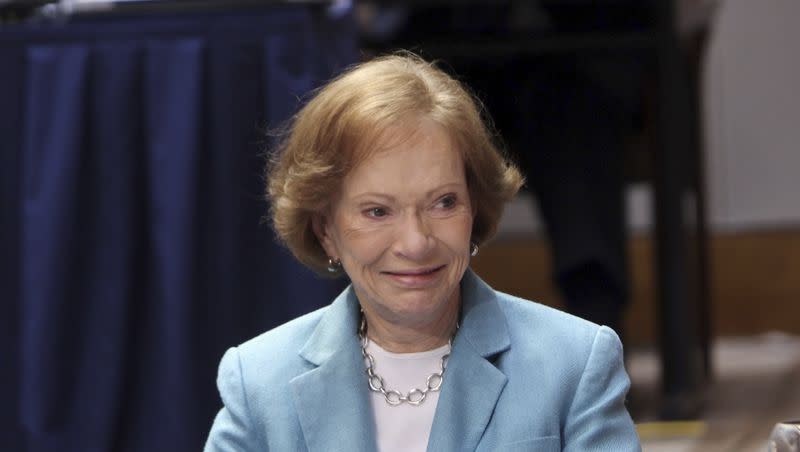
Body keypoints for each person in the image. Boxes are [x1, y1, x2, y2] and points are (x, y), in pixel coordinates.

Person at [204, 53, 640, 451]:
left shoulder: (575, 363)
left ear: (475, 207)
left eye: (443, 203)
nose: (415, 243)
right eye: (377, 211)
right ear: (326, 231)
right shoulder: (258, 381)